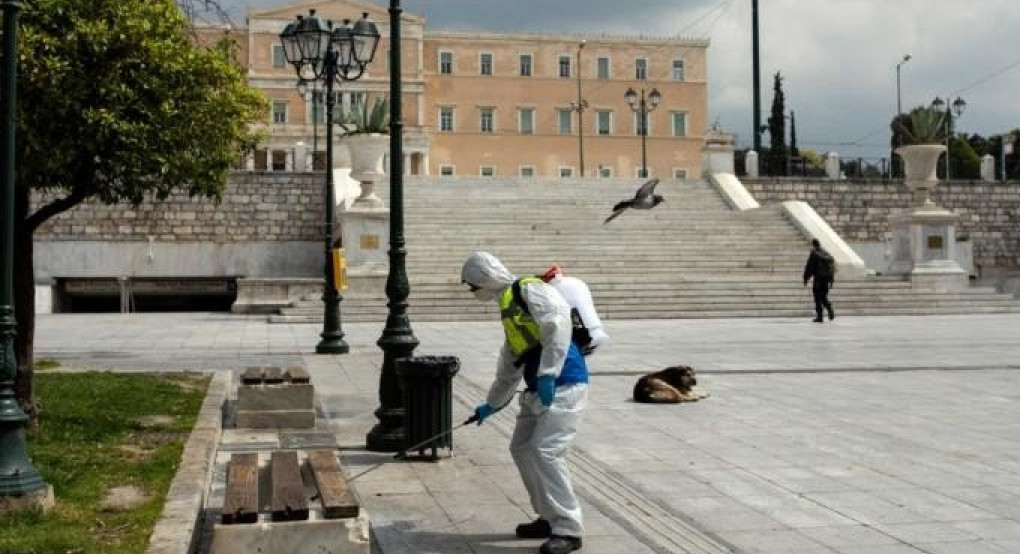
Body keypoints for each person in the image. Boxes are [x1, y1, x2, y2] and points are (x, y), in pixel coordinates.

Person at [462, 251, 588, 554]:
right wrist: (492, 403)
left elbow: (557, 327)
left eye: (472, 285)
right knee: (521, 448)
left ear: (484, 278)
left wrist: (548, 373)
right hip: (538, 387)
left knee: (546, 452)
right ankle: (548, 516)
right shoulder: (509, 304)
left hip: (564, 380)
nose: (473, 291)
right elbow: (511, 360)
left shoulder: (529, 288)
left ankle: (569, 529)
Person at [539, 266, 609, 356]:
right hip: (595, 328)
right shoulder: (575, 281)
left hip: (580, 331)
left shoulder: (556, 286)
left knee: (574, 359)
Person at [803, 238, 835, 322]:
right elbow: (831, 266)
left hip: (818, 279)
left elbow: (810, 266)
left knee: (817, 297)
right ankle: (830, 310)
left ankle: (820, 316)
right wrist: (831, 279)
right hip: (826, 279)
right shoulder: (825, 252)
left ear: (813, 245)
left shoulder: (814, 254)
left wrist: (806, 278)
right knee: (823, 296)